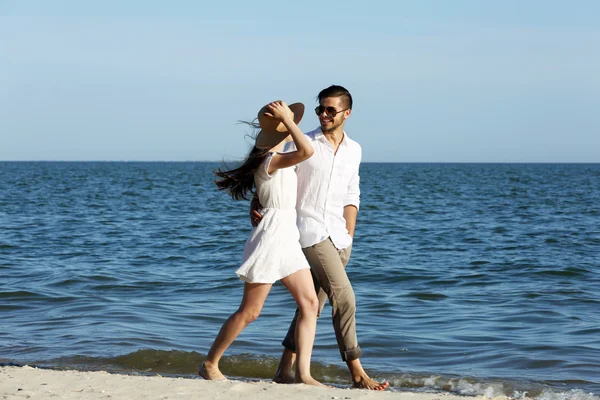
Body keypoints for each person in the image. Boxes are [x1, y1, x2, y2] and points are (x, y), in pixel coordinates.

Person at [251, 85, 389, 390]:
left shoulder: (355, 149)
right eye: (320, 109)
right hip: (308, 232)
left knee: (310, 305)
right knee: (345, 298)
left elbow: (352, 192)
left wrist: (349, 234)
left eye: (331, 110)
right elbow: (271, 173)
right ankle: (356, 371)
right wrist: (257, 202)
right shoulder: (303, 142)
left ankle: (284, 370)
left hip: (339, 237)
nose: (324, 115)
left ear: (347, 113)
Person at [199, 100, 324, 387]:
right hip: (271, 236)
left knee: (309, 302)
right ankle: (209, 363)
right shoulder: (271, 160)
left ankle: (303, 374)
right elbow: (308, 150)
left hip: (286, 235)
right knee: (250, 311)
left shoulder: (277, 156)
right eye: (289, 125)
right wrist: (288, 120)